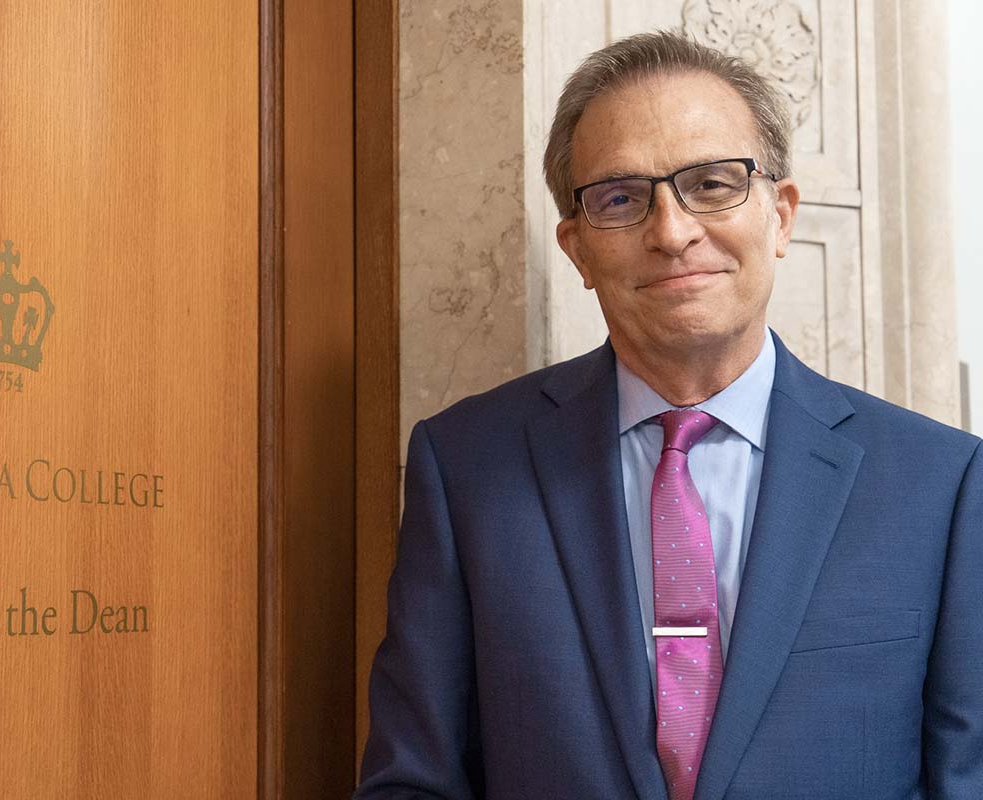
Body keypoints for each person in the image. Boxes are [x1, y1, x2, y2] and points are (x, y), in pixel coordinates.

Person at [354, 30, 983, 800]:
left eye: (713, 184)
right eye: (620, 198)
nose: (672, 231)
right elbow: (413, 781)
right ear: (578, 250)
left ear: (780, 216)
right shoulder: (467, 467)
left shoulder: (940, 485)